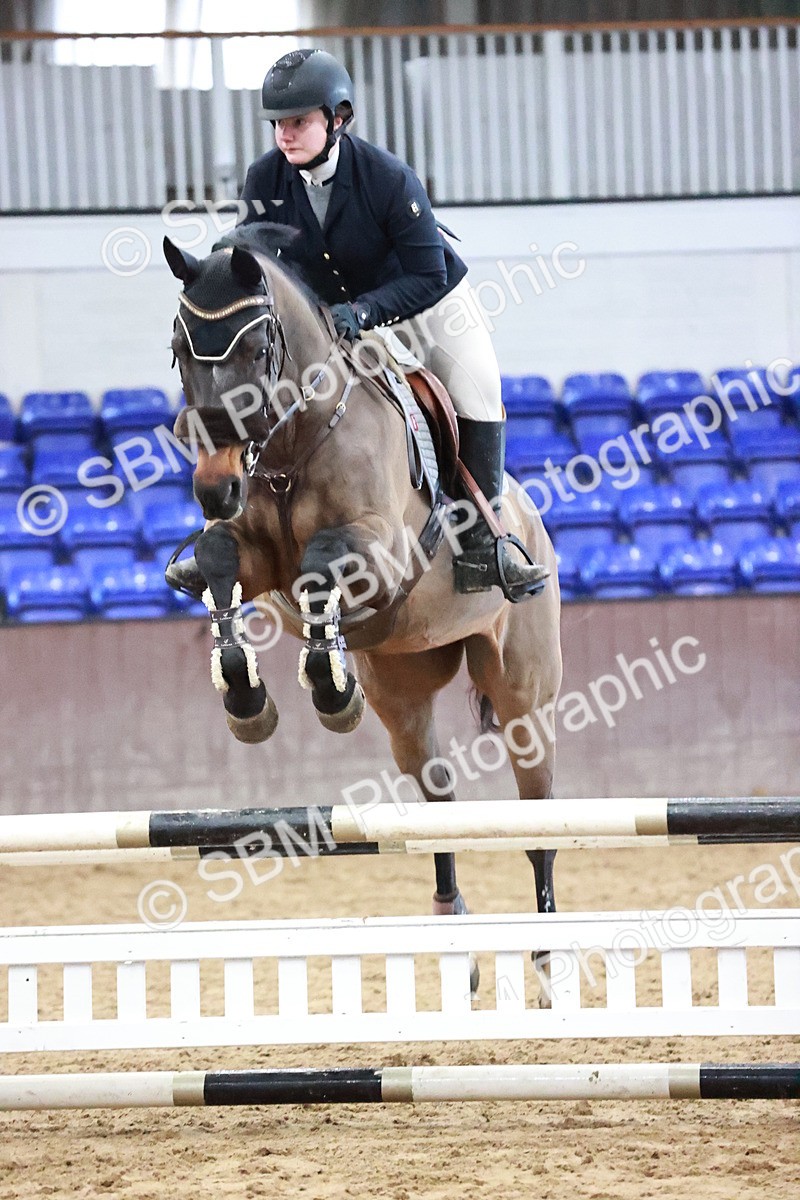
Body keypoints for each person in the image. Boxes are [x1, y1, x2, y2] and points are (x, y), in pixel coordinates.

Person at [169, 48, 547, 602]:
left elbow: (427, 274)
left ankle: (485, 543)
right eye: (277, 123)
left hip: (424, 304)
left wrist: (364, 313)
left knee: (478, 387)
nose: (284, 134)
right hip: (331, 316)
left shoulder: (387, 178)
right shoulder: (265, 177)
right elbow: (251, 259)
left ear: (338, 118)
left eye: (299, 121)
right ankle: (221, 535)